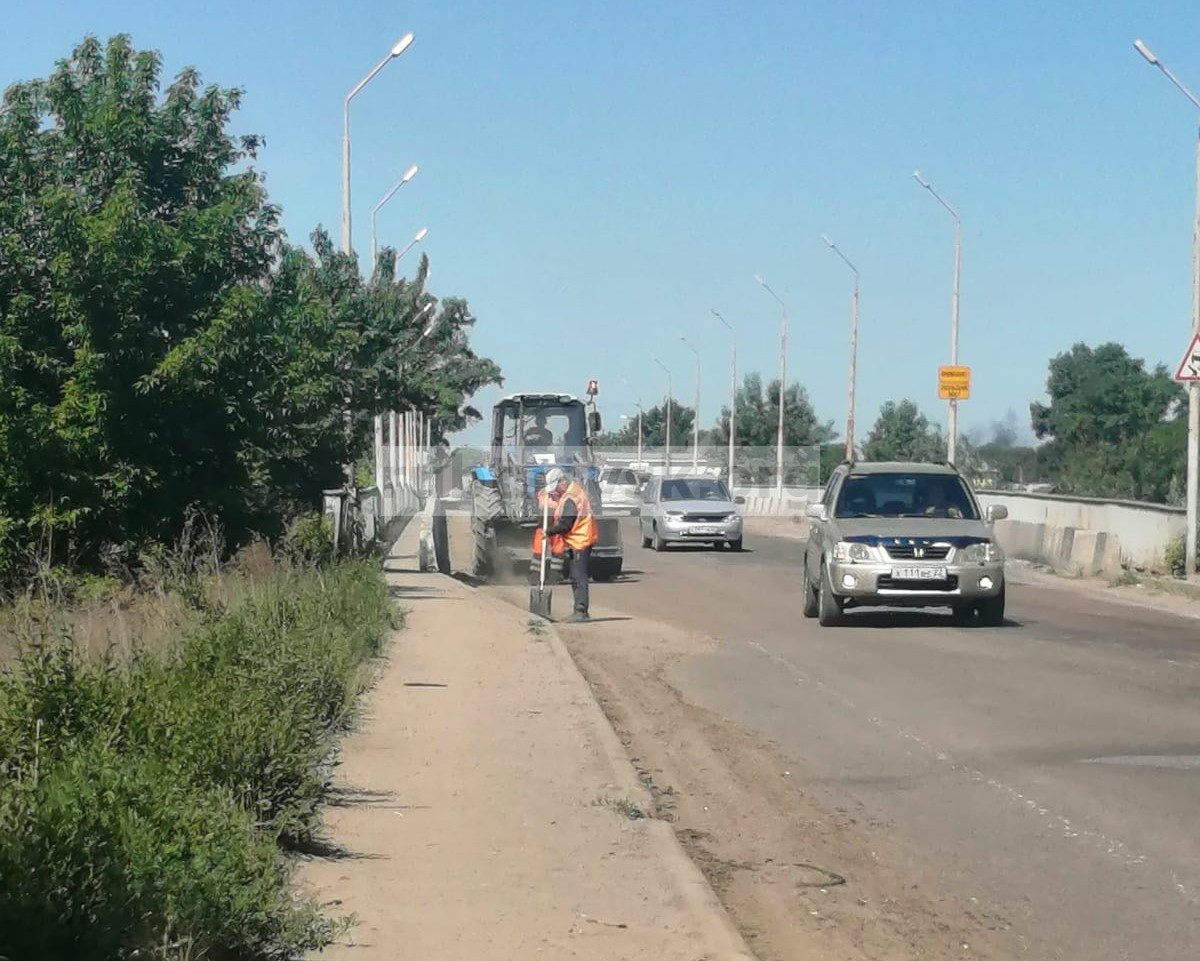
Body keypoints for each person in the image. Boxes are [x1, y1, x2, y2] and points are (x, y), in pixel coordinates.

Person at [536, 467, 597, 622]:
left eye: (556, 487)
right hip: (576, 539)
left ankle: (581, 611)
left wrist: (548, 531)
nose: (555, 491)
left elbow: (566, 524)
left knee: (578, 576)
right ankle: (579, 610)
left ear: (562, 482)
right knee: (574, 575)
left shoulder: (571, 498)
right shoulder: (571, 493)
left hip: (580, 540)